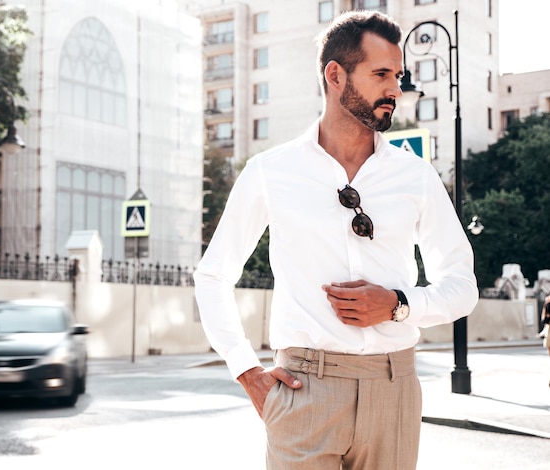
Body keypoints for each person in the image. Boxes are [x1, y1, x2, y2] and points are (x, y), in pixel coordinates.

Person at [194, 10, 478, 470]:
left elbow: (463, 286)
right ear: (335, 75)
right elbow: (213, 275)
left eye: (398, 75)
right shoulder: (271, 172)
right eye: (381, 74)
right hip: (304, 392)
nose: (395, 90)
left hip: (394, 389)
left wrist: (398, 304)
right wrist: (245, 370)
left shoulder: (415, 176)